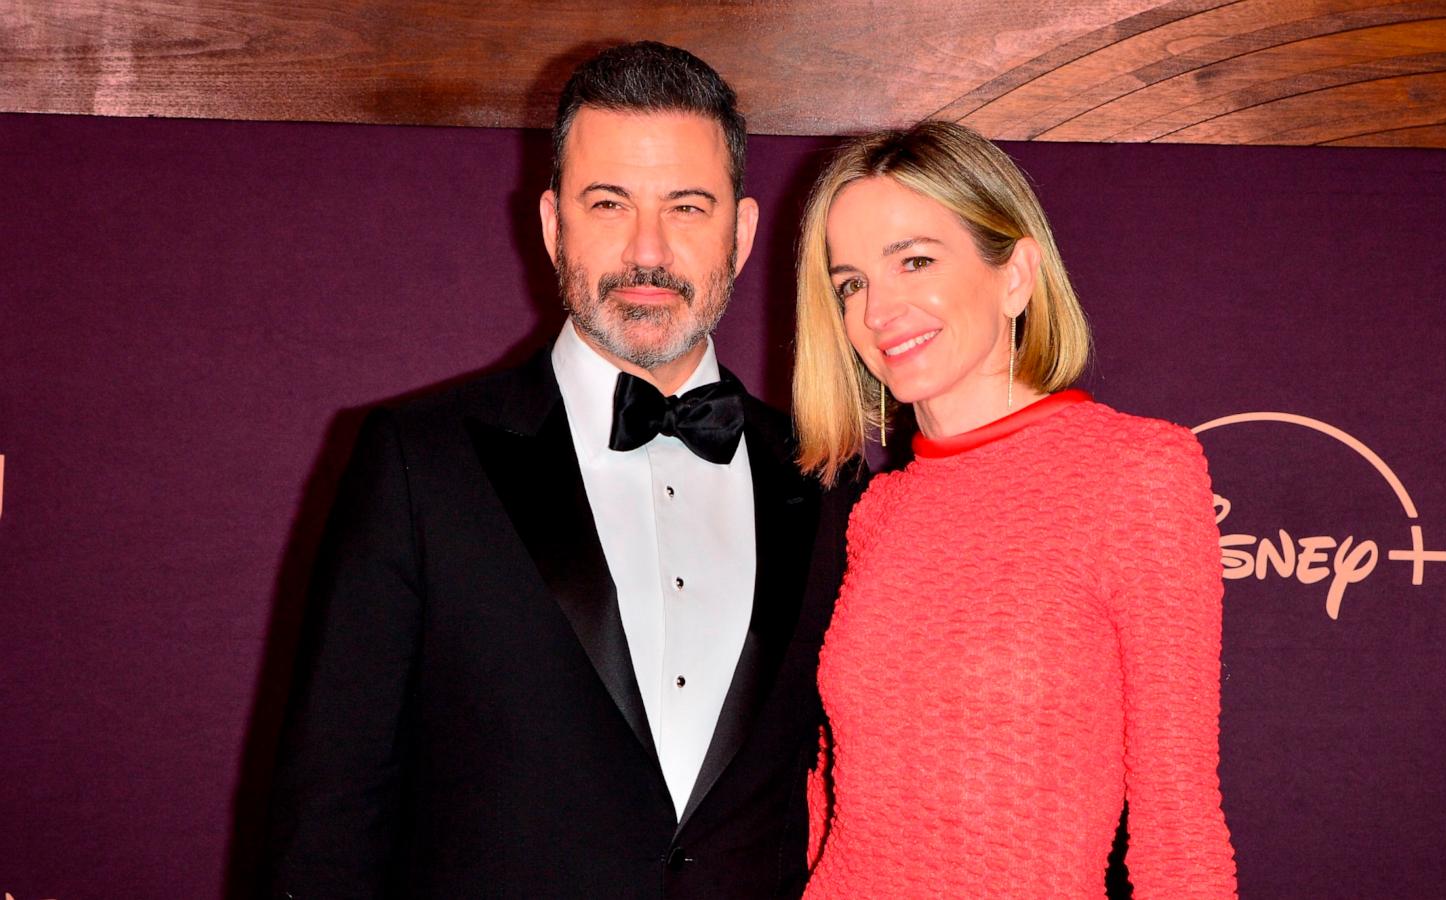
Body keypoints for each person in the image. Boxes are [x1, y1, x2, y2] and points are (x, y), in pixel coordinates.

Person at [265, 42, 858, 899]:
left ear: (743, 230)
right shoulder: (414, 463)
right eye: (609, 203)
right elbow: (329, 816)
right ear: (552, 224)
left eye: (687, 207)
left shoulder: (832, 479)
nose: (646, 250)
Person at [791, 121, 1238, 897]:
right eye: (852, 283)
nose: (878, 310)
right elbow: (834, 796)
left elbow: (1180, 817)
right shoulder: (876, 511)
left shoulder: (1136, 473)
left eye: (917, 261)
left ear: (1016, 274)